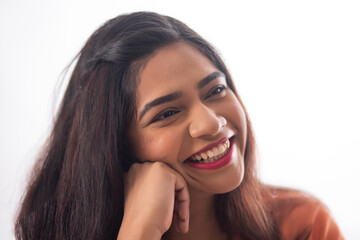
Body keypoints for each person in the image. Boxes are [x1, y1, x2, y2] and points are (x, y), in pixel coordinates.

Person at [15, 12, 344, 240]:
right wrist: (139, 232)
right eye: (167, 113)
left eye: (215, 90)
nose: (211, 123)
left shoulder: (302, 226)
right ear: (114, 146)